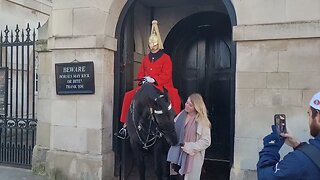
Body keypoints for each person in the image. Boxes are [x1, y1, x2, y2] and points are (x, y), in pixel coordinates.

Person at [116, 20, 181, 139]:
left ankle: (173, 123)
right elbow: (141, 73)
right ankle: (126, 125)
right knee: (128, 95)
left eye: (154, 43)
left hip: (161, 86)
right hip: (146, 86)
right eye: (151, 43)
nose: (152, 45)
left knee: (173, 97)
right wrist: (144, 79)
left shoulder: (166, 58)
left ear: (158, 43)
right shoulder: (146, 58)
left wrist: (154, 80)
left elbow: (167, 74)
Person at [257, 91, 320, 179]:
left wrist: (271, 146)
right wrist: (298, 145)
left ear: (318, 116)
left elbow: (265, 176)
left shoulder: (299, 161)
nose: (308, 119)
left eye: (309, 114)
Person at [167, 93, 211, 180]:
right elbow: (173, 130)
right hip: (177, 154)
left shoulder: (202, 121)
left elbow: (206, 141)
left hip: (192, 157)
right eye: (187, 102)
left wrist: (190, 146)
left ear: (196, 107)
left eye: (190, 105)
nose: (186, 105)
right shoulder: (181, 115)